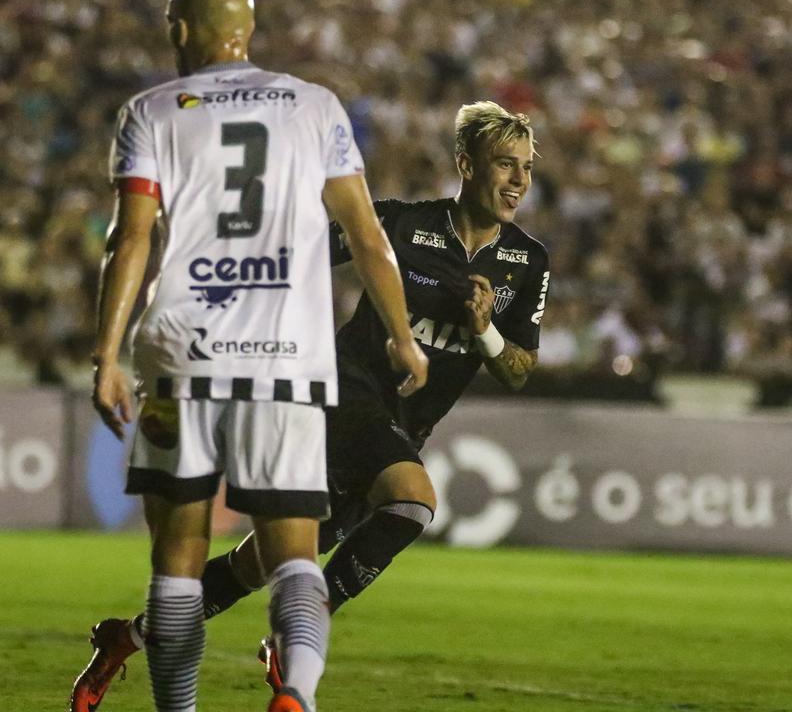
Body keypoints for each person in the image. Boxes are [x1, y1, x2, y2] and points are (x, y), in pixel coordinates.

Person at [70, 100, 548, 707]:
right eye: (505, 164)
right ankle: (297, 635)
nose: (518, 180)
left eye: (526, 168)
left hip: (403, 427)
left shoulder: (528, 262)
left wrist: (485, 331)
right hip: (343, 392)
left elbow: (518, 370)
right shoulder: (402, 225)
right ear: (467, 165)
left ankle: (127, 637)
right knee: (414, 500)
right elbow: (294, 256)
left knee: (257, 565)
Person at [78, 0, 427, 712]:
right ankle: (297, 692)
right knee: (294, 554)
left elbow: (129, 238)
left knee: (178, 559)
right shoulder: (316, 106)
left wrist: (106, 355)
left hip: (182, 360)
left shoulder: (152, 111)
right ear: (249, 28)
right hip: (286, 363)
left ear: (181, 29)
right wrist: (403, 335)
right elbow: (368, 235)